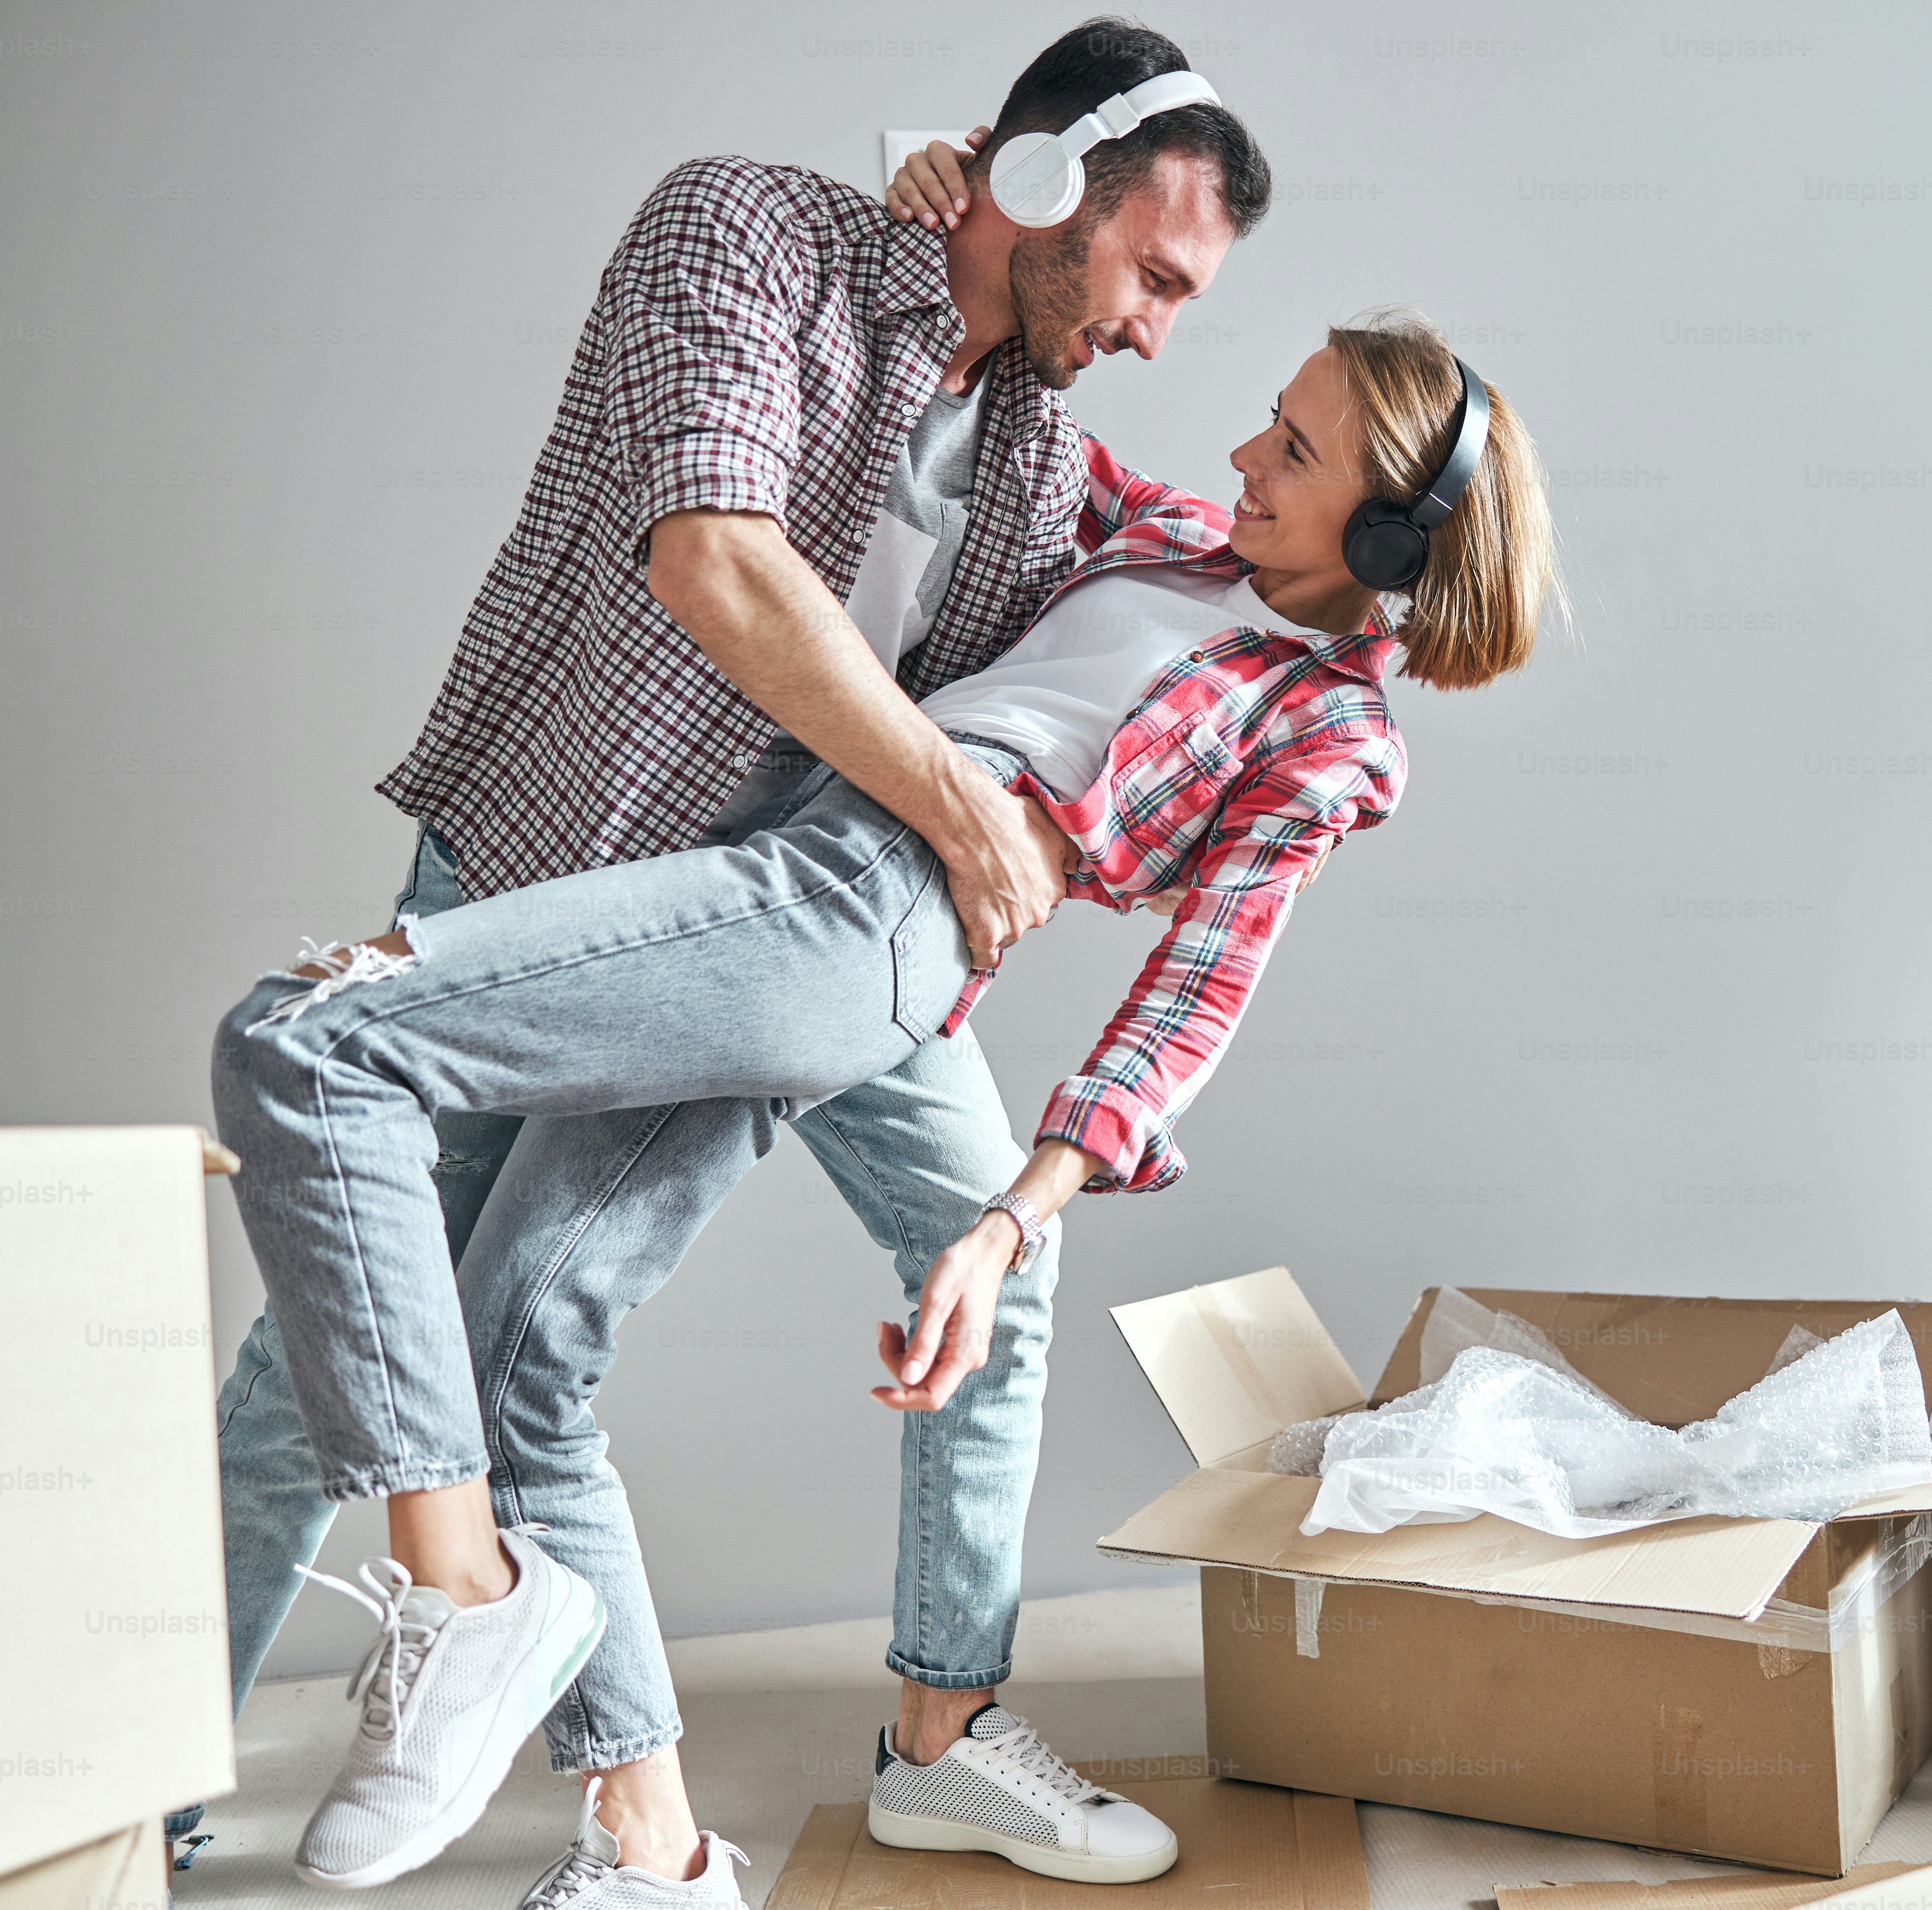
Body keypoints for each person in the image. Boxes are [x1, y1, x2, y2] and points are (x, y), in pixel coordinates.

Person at [209, 306, 1555, 1895]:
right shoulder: (1169, 535)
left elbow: (1196, 992)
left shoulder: (1329, 733)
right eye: (1272, 416)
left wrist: (1012, 1217)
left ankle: (789, 1741)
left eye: (1297, 449)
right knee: (501, 1345)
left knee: (343, 1070)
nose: (1246, 453)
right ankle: (650, 1846)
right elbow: (982, 404)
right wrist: (940, 209)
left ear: (1388, 533)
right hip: (784, 837)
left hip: (864, 916)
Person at [169, 17, 1270, 1901]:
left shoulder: (1038, 449)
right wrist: (961, 806)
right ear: (1033, 186)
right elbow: (716, 556)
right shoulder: (745, 233)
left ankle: (941, 1735)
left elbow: (1226, 571)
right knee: (339, 1331)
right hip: (555, 870)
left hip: (805, 919)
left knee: (996, 1253)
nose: (1162, 331)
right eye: (1155, 277)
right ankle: (155, 1767)